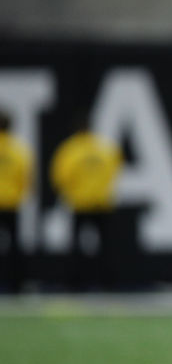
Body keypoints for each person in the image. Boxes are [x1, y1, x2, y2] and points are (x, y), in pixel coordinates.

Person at [50, 113, 123, 291]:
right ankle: (108, 283)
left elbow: (60, 177)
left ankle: (75, 283)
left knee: (76, 247)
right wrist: (101, 190)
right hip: (101, 203)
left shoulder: (70, 150)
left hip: (79, 203)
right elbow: (114, 170)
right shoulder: (104, 148)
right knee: (106, 248)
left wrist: (73, 193)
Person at [0, 110, 33, 293]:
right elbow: (25, 177)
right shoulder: (17, 151)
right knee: (14, 247)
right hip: (11, 204)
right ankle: (16, 285)